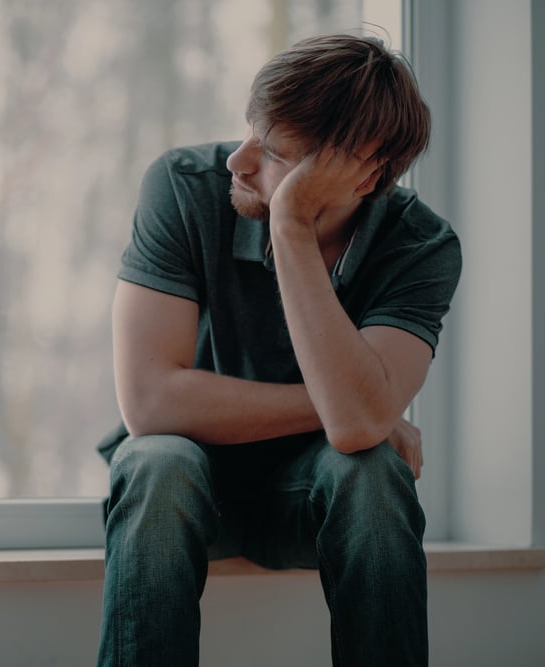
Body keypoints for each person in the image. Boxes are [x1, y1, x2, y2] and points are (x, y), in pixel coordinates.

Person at [95, 34, 462, 667]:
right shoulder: (184, 187)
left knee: (371, 470)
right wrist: (354, 408)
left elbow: (354, 435)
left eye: (272, 152)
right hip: (188, 493)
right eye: (249, 132)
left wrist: (290, 224)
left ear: (362, 174)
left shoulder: (420, 247)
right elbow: (151, 404)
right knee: (156, 459)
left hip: (317, 501)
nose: (238, 160)